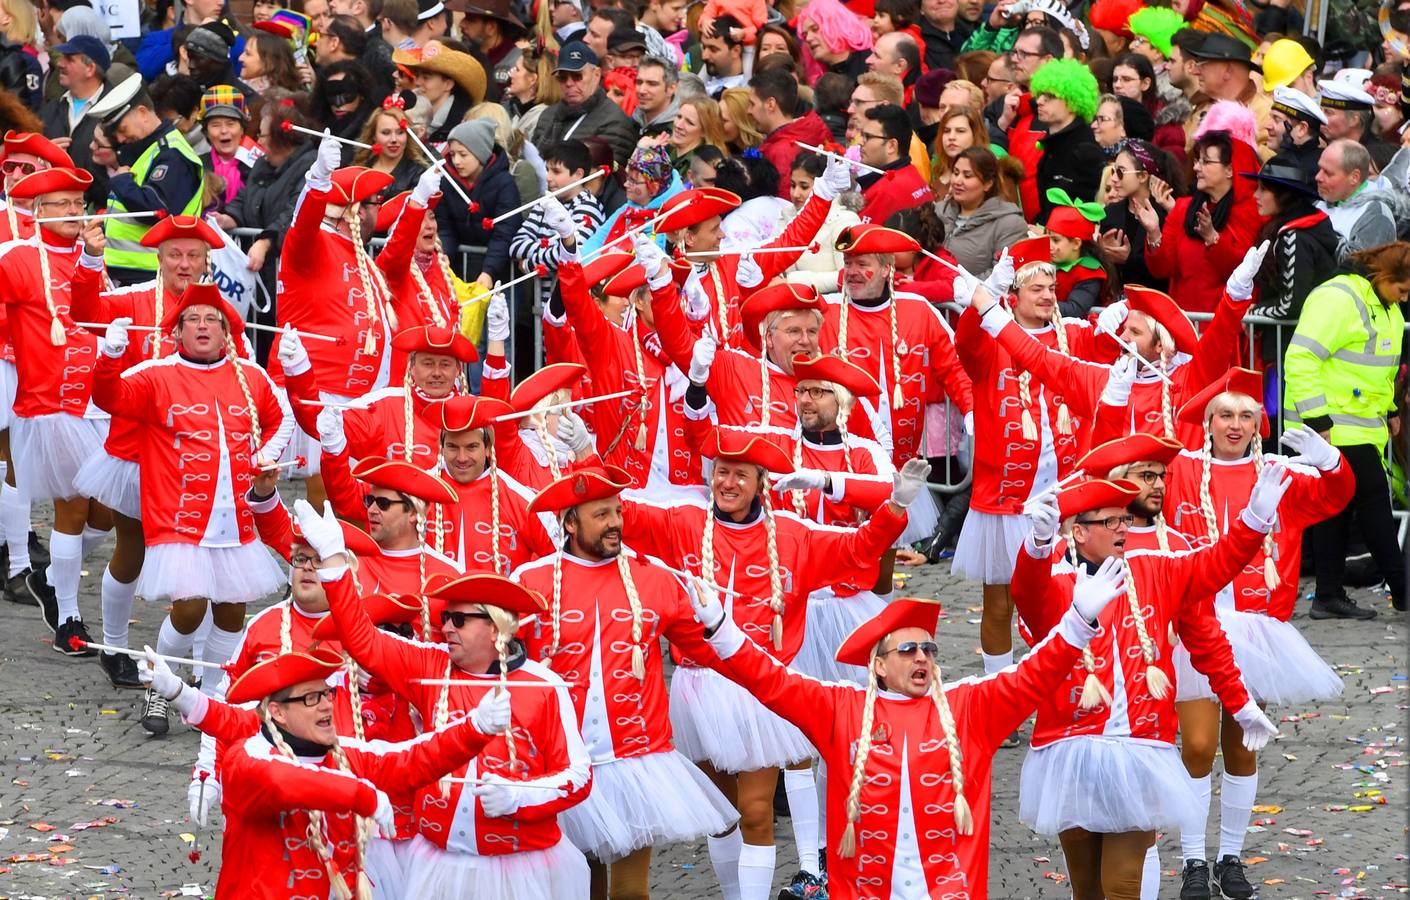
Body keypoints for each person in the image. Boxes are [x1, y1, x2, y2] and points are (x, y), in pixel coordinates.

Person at [683, 569, 1125, 898]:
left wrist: (1078, 621)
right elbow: (770, 680)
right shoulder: (840, 707)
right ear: (878, 664)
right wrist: (722, 629)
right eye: (908, 649)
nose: (922, 657)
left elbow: (1033, 675)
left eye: (928, 648)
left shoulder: (970, 705)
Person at [618, 428, 919, 900]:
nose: (728, 483)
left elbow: (857, 548)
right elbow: (624, 515)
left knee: (757, 811)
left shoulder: (796, 537)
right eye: (721, 472)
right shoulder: (683, 523)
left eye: (741, 474)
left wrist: (896, 507)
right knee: (720, 817)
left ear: (762, 483)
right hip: (698, 689)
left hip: (762, 692)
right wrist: (583, 452)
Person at [305, 499, 594, 897]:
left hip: (517, 867)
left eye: (459, 620)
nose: (446, 629)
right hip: (440, 862)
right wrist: (336, 565)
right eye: (444, 619)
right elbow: (363, 641)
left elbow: (578, 776)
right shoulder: (430, 665)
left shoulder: (543, 686)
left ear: (495, 629)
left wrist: (519, 797)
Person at [1016, 475, 1281, 900]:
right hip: (1070, 752)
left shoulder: (1156, 569)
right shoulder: (1057, 585)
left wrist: (1255, 518)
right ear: (1078, 532)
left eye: (1124, 518)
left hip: (1138, 752)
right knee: (1087, 890)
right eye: (1110, 521)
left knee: (1122, 886)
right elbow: (1027, 595)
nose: (1123, 527)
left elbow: (1217, 563)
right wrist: (1037, 545)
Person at [1160, 370, 1352, 900]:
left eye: (1246, 415)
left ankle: (1230, 857)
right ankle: (1193, 861)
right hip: (1194, 625)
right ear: (1208, 422)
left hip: (1259, 629)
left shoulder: (1280, 473)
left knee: (1243, 746)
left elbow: (1338, 496)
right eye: (1225, 414)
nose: (1235, 425)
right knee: (1197, 746)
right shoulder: (1180, 469)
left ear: (1259, 423)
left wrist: (1332, 460)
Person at [514, 465, 738, 896]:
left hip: (638, 762)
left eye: (617, 511)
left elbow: (709, 650)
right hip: (563, 761)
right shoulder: (531, 582)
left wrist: (731, 636)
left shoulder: (653, 578)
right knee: (583, 884)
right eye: (601, 515)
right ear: (570, 522)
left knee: (632, 892)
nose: (616, 522)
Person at [141, 643, 511, 898]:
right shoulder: (248, 758)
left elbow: (410, 759)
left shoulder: (345, 754)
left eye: (327, 695)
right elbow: (284, 781)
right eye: (310, 698)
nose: (325, 706)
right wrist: (361, 794)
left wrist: (475, 728)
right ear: (277, 712)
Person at [93, 281, 291, 735]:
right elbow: (110, 399)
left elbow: (281, 418)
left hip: (235, 522)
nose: (203, 327)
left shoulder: (250, 376)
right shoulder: (156, 374)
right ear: (177, 331)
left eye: (212, 320)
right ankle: (158, 687)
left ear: (226, 332)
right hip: (180, 521)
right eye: (193, 320)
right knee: (188, 610)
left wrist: (267, 456)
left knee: (231, 614)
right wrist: (109, 358)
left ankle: (213, 700)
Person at [68, 214, 229, 690]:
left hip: (197, 459)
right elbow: (84, 309)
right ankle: (116, 647)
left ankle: (199, 664)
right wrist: (90, 261)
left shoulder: (217, 311)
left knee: (200, 563)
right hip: (138, 452)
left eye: (193, 256)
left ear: (205, 261)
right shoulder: (133, 299)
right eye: (175, 255)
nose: (184, 263)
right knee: (131, 548)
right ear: (158, 259)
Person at [0, 167, 107, 655]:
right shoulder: (18, 258)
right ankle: (69, 619)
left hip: (101, 401)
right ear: (36, 211)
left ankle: (48, 573)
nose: (72, 211)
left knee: (110, 516)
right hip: (52, 405)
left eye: (77, 202)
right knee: (75, 506)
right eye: (60, 203)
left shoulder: (94, 257)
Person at [1284, 241, 1409, 618]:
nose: (1406, 298)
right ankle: (1402, 590)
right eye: (1402, 289)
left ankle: (1328, 595)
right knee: (1373, 502)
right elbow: (1301, 356)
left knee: (1334, 511)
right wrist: (1317, 420)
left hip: (1355, 424)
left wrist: (1389, 409)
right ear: (1385, 276)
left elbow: (1379, 365)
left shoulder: (1383, 304)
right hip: (1332, 425)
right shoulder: (1338, 298)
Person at [84, 73, 206, 286]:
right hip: (130, 271)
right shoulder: (150, 150)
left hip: (153, 273)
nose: (121, 140)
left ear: (142, 113)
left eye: (122, 130)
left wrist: (122, 181)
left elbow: (156, 210)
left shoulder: (173, 154)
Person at [1138, 107, 1262, 314]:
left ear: (1230, 169)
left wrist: (1213, 239)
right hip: (1185, 328)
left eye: (1206, 161)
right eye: (1197, 160)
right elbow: (1163, 269)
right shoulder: (1184, 208)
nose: (1196, 168)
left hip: (1225, 330)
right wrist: (1154, 233)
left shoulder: (1251, 211)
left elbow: (1243, 273)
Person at [432, 118, 521, 287]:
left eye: (463, 154)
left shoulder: (504, 183)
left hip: (500, 275)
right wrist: (444, 257)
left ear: (481, 152)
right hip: (460, 271)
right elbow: (445, 227)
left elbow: (505, 232)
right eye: (452, 154)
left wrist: (489, 271)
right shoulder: (446, 182)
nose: (457, 161)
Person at [532, 41, 640, 169]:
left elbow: (601, 179)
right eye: (563, 77)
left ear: (596, 75)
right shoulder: (548, 115)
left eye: (577, 76)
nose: (569, 83)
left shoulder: (615, 122)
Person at [1028, 58, 1105, 223]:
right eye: (1040, 95)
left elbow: (1085, 212)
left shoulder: (1085, 152)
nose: (1039, 101)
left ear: (1072, 102)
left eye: (1050, 96)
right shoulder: (1054, 145)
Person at [1097, 137, 1178, 292]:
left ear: (1142, 176)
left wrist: (1129, 260)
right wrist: (1101, 252)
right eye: (1113, 171)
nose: (1113, 179)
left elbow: (1166, 272)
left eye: (1120, 172)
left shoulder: (1166, 213)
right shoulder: (1110, 213)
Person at [39, 33, 110, 207]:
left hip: (100, 215)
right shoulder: (50, 110)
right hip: (55, 212)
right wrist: (44, 158)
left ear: (90, 69)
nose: (60, 64)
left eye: (69, 59)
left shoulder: (114, 112)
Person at [937, 146, 1026, 277]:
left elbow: (1003, 276)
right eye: (956, 173)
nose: (957, 181)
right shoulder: (937, 211)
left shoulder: (1010, 224)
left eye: (967, 176)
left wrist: (957, 287)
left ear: (988, 184)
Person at [1315, 139, 1403, 259]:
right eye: (1319, 169)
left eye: (1328, 173)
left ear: (1354, 177)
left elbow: (1359, 264)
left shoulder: (1376, 214)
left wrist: (1316, 232)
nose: (1318, 177)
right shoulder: (1319, 202)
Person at [855, 102, 933, 225]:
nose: (860, 142)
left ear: (891, 146)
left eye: (867, 137)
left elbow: (854, 237)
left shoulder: (886, 192)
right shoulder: (911, 174)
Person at [401, 41, 487, 145]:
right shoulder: (408, 112)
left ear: (448, 85)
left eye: (426, 77)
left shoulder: (463, 124)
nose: (418, 82)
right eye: (417, 76)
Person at [355, 95, 427, 199]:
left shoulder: (419, 174)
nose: (394, 139)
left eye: (400, 132)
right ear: (374, 136)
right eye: (386, 133)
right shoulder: (360, 169)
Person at [196, 86, 253, 211]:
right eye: (215, 125)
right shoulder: (196, 166)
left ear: (242, 128)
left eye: (230, 124)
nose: (224, 131)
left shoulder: (258, 165)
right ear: (206, 132)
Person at [1264, 86, 1325, 180]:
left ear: (1302, 129)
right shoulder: (1320, 162)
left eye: (1276, 119)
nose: (1267, 125)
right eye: (1270, 118)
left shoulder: (1302, 171)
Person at [668, 95, 729, 177]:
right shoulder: (663, 150)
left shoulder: (705, 167)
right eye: (679, 117)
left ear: (705, 131)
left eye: (689, 123)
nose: (678, 125)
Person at [633, 55, 679, 137]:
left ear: (671, 89)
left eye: (652, 84)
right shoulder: (629, 124)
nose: (642, 90)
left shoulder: (679, 131)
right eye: (639, 82)